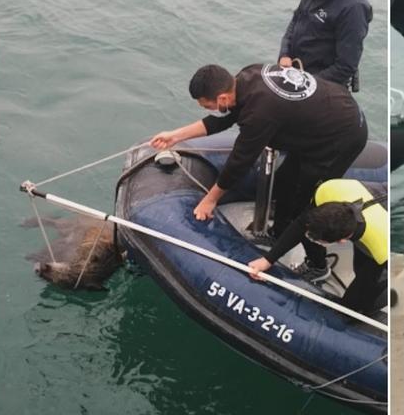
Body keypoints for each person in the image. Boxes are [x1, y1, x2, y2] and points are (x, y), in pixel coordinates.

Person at [150, 63, 368, 282]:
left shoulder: (260, 112)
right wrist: (176, 136)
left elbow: (239, 161)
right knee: (283, 182)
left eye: (208, 106)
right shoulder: (247, 77)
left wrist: (210, 200)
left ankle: (318, 265)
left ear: (223, 98)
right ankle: (278, 234)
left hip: (340, 138)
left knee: (303, 207)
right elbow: (224, 120)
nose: (209, 110)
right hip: (322, 120)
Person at [247, 179, 388, 315]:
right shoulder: (328, 190)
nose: (307, 236)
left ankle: (360, 309)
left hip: (386, 224)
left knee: (367, 278)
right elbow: (302, 223)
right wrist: (268, 259)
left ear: (342, 241)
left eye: (317, 240)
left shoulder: (382, 247)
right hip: (370, 198)